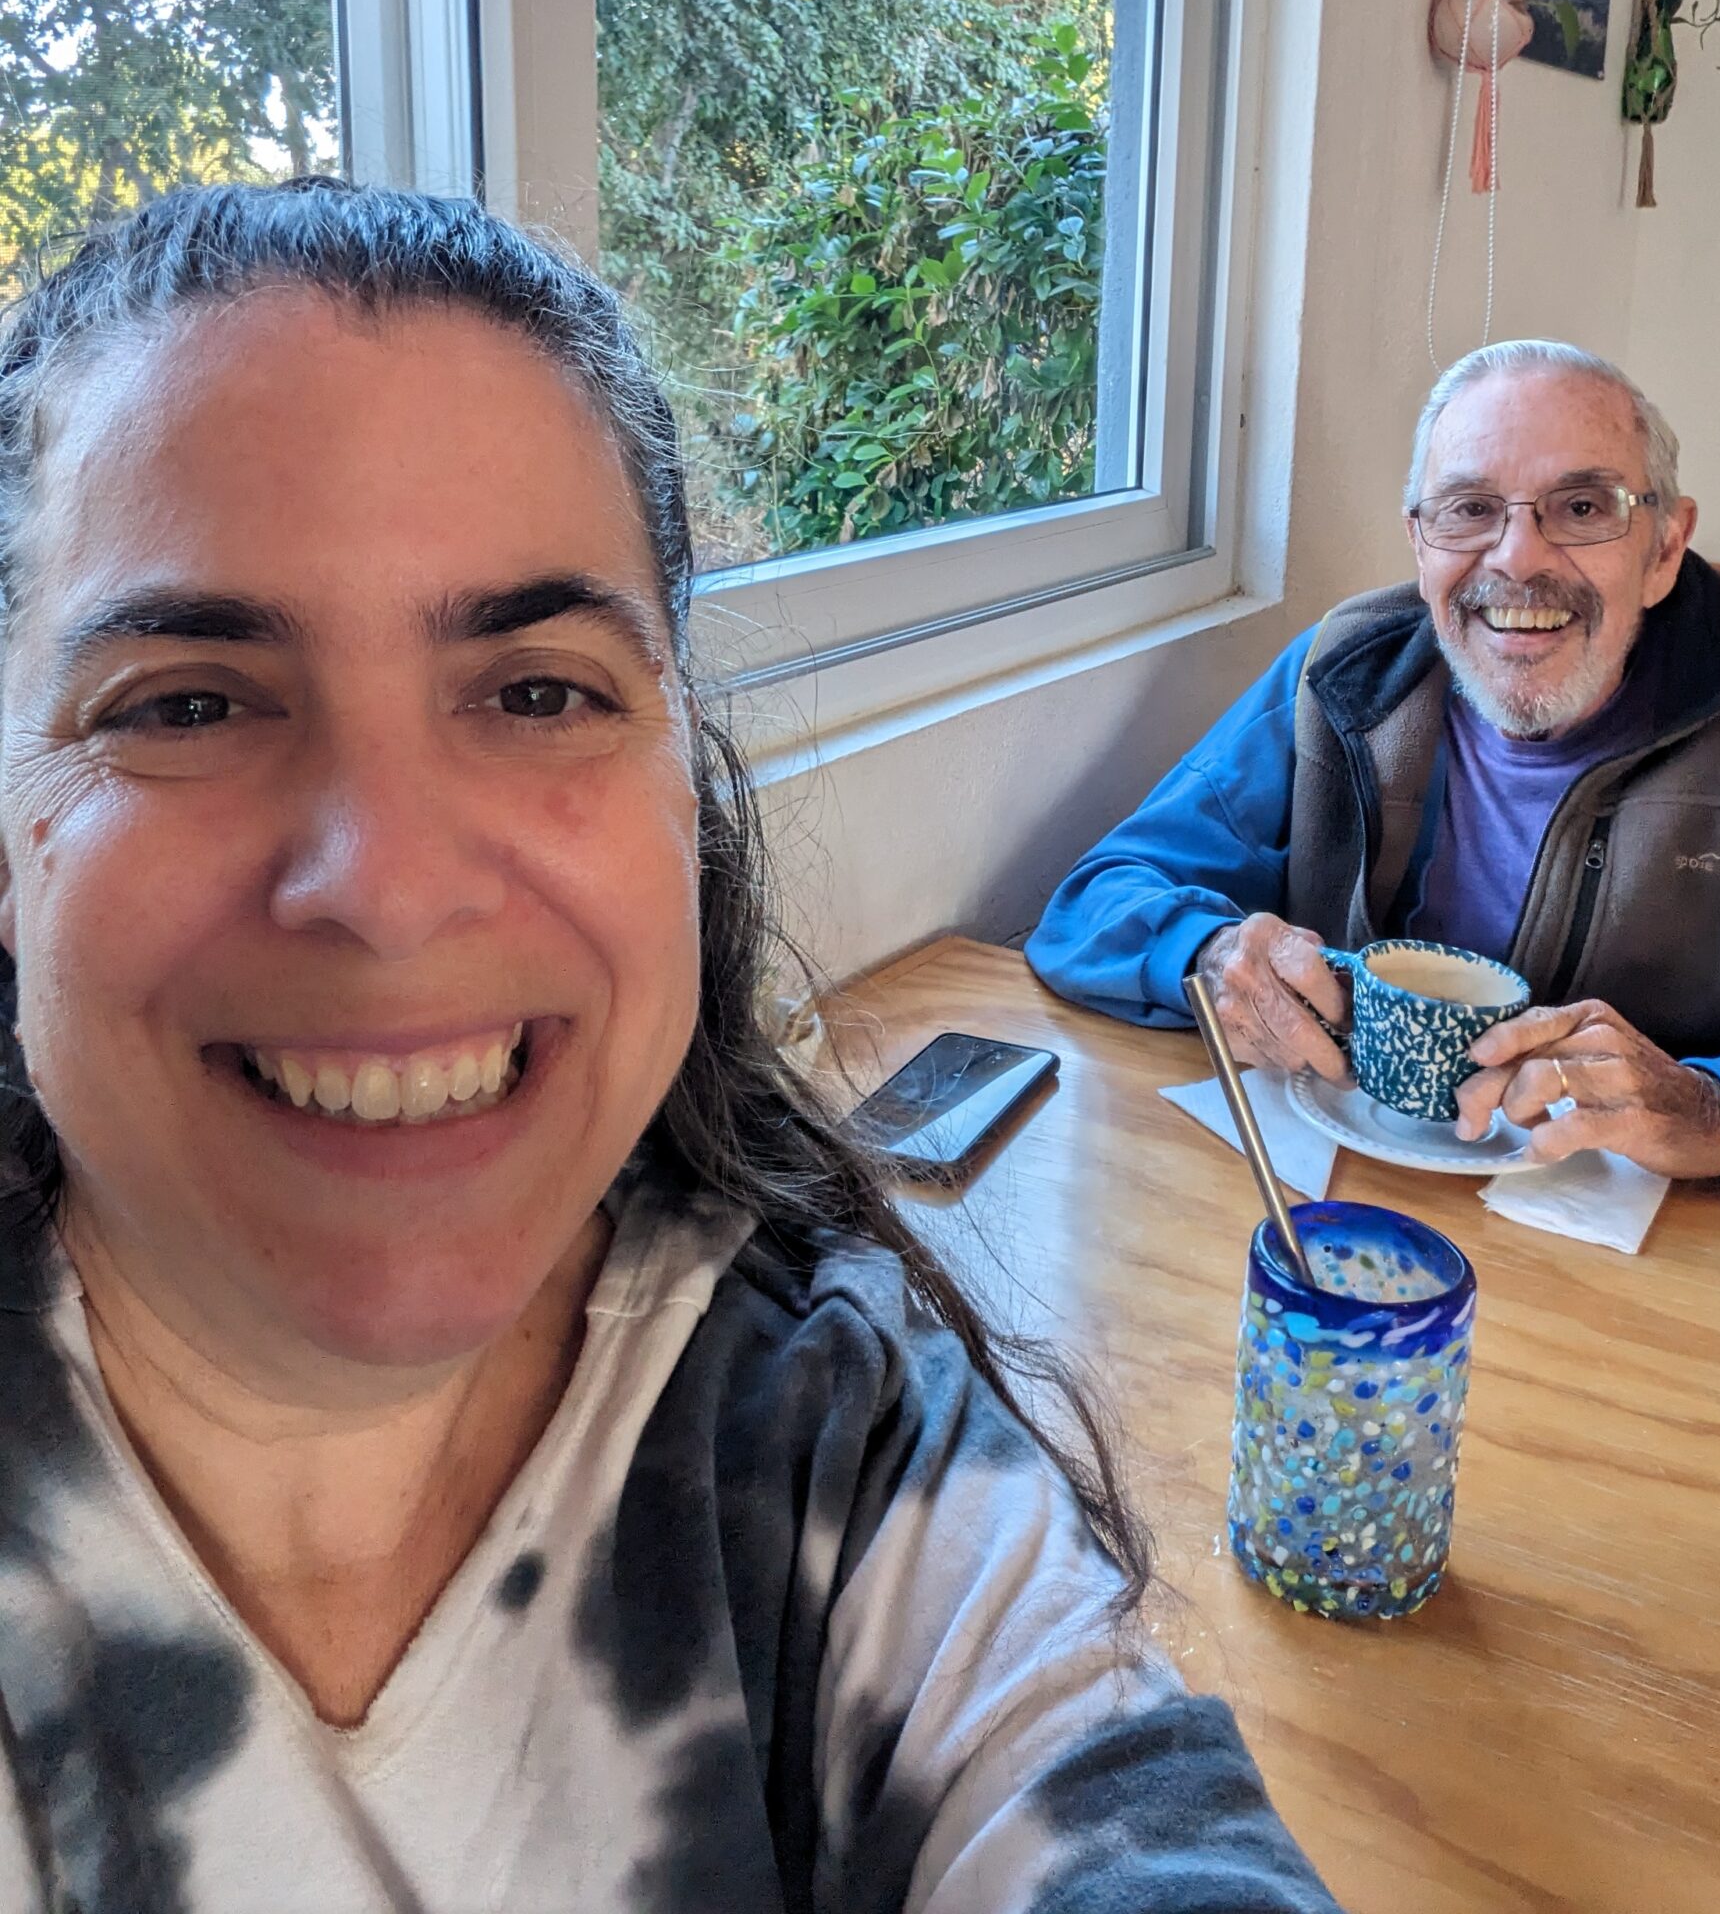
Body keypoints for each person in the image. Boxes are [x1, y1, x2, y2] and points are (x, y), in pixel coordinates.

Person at [0, 182, 1342, 1914]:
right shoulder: (1344, 681)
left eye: (537, 691)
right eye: (185, 704)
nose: (393, 890)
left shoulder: (832, 1443)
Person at [1029, 341, 1720, 1192]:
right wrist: (1212, 953)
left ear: (1663, 548)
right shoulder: (1341, 674)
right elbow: (1096, 901)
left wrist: (1716, 1109)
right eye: (1467, 509)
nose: (1517, 557)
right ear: (1419, 544)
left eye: (1582, 508)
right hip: (1336, 1204)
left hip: (1653, 1262)